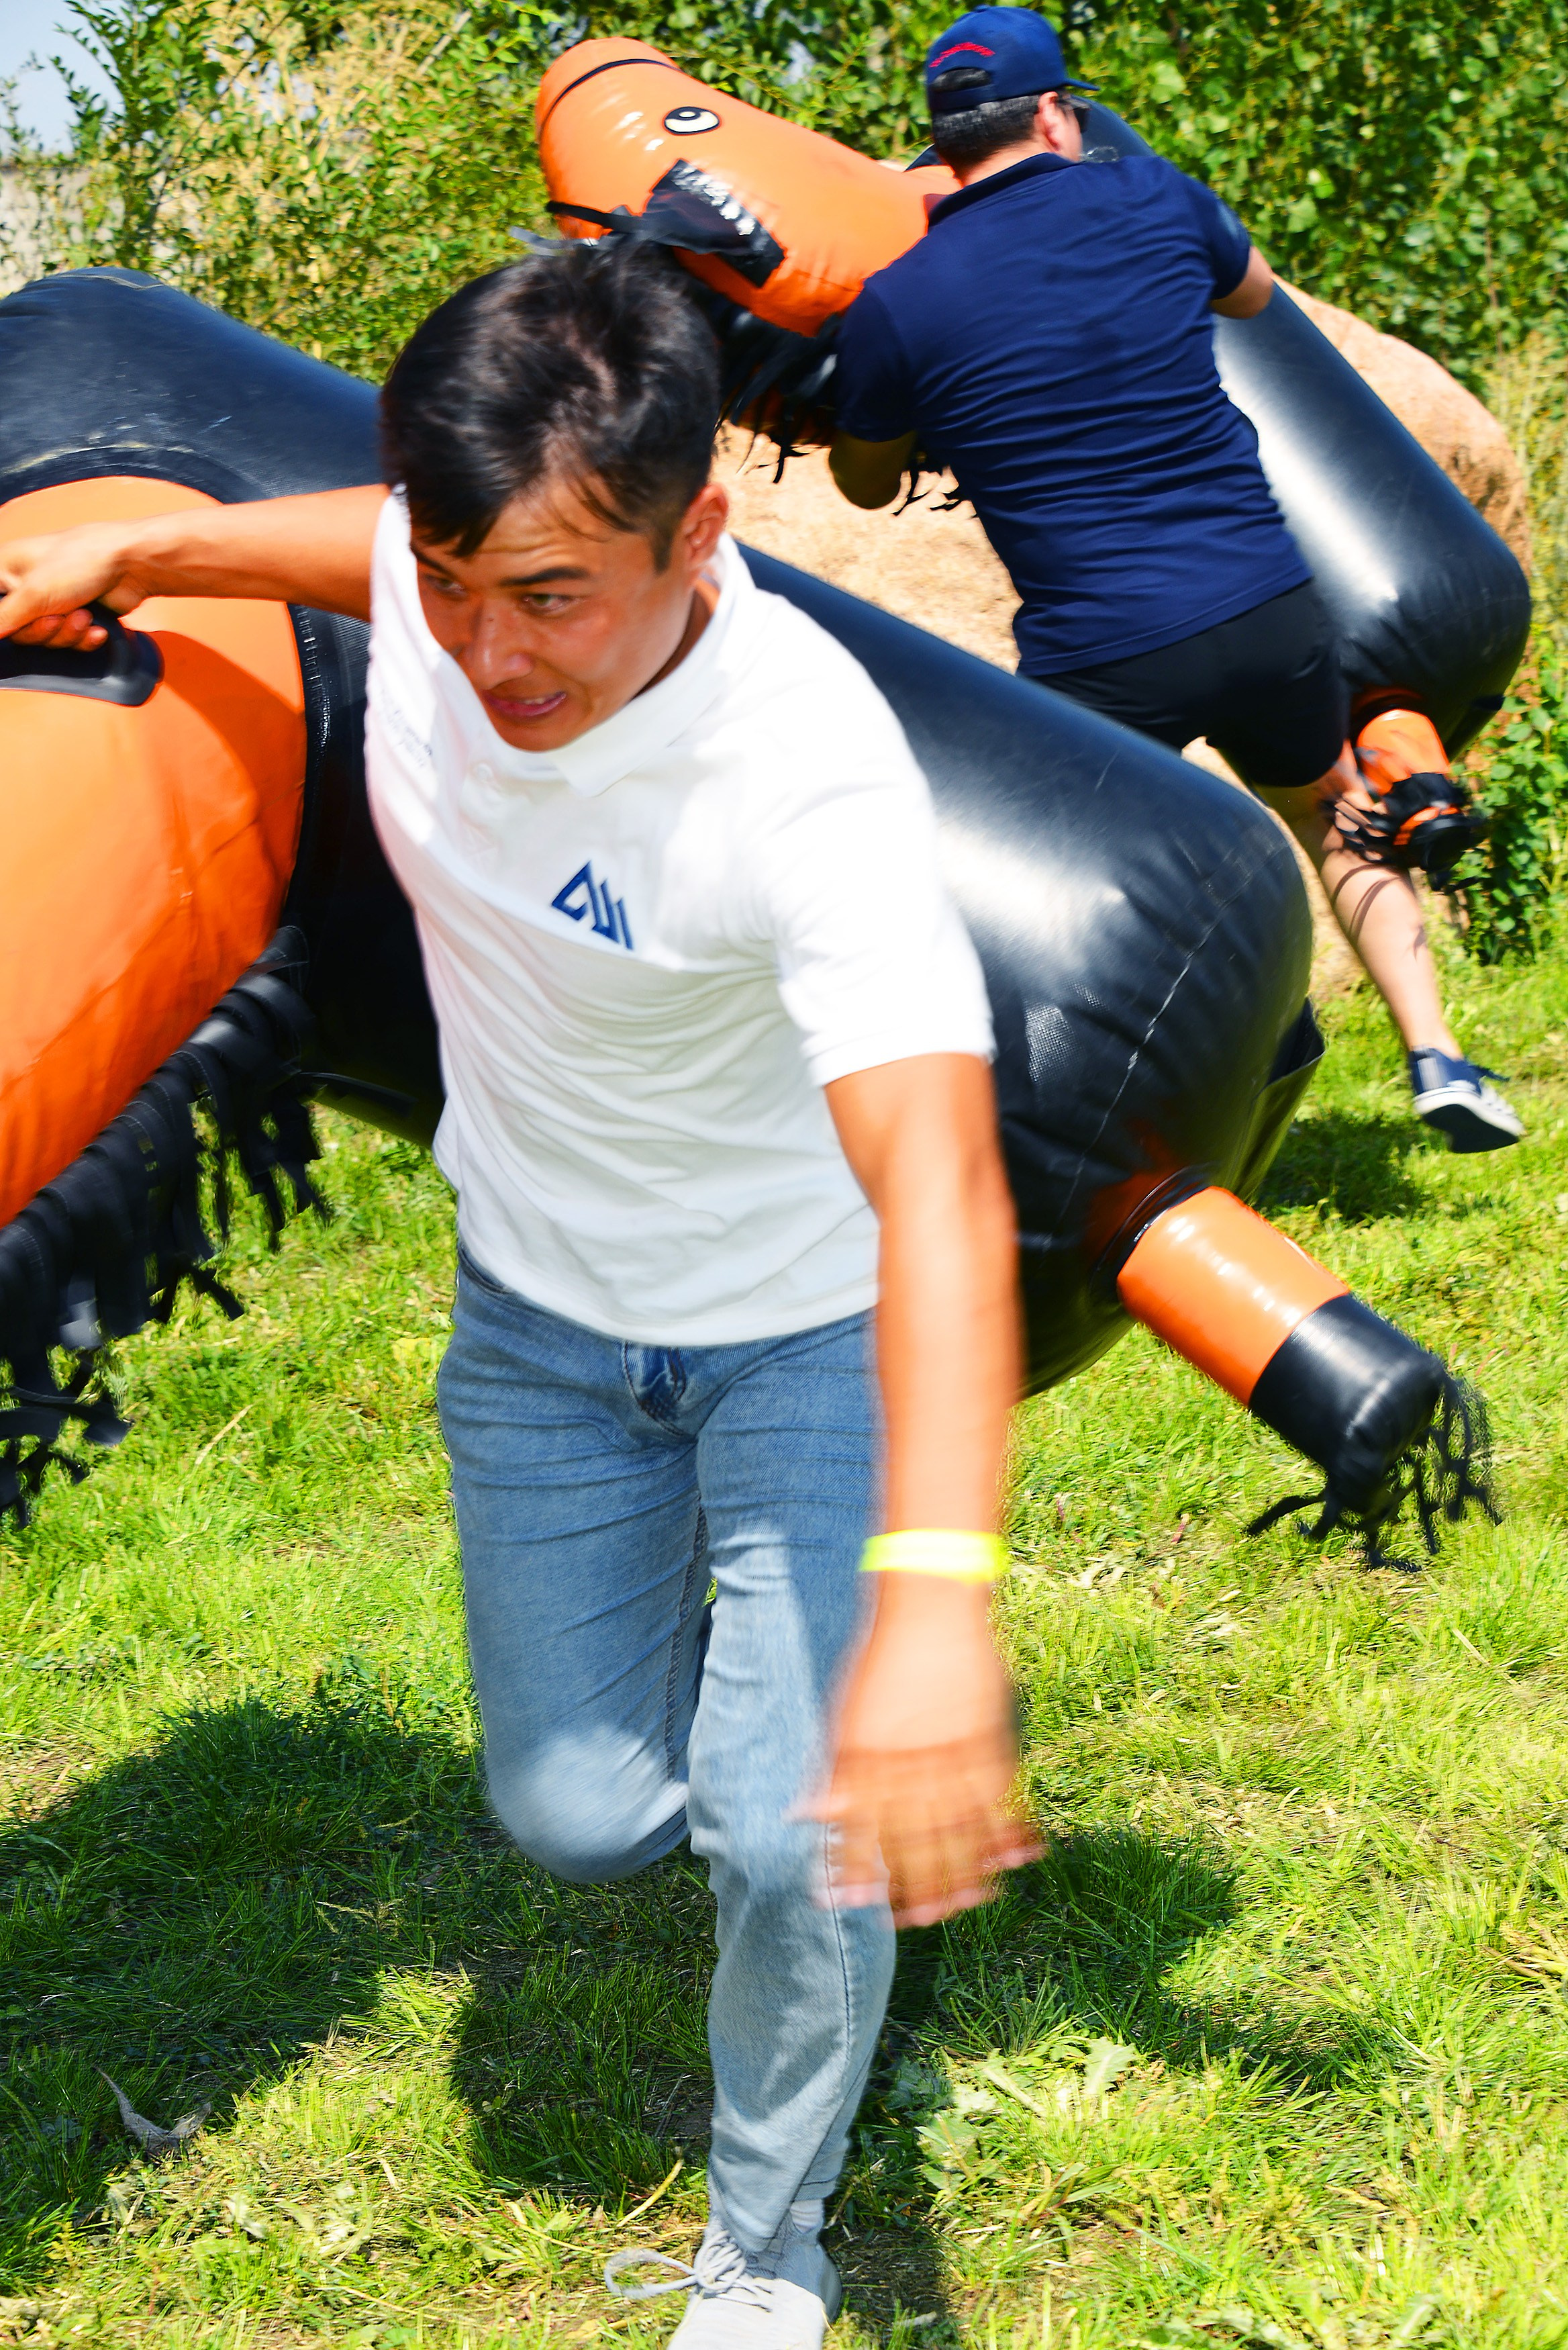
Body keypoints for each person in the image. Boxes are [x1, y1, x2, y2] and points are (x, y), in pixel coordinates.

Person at [0, 240, 1037, 2349]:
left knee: (788, 1834)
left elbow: (939, 1182)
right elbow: (356, 545)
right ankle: (768, 1705)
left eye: (555, 593)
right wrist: (153, 539)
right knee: (579, 1820)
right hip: (545, 1330)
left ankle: (774, 2242)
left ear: (699, 533)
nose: (488, 647)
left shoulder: (803, 780)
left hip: (802, 1334)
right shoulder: (446, 565)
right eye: (457, 582)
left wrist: (933, 1593)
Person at [828, 5, 1521, 1156]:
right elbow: (1250, 299)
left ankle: (1203, 1080)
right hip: (1263, 608)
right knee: (1334, 813)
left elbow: (860, 483)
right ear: (1056, 112)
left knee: (1087, 890)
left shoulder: (901, 299)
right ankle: (1440, 1057)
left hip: (1101, 654)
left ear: (943, 145)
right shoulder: (1155, 199)